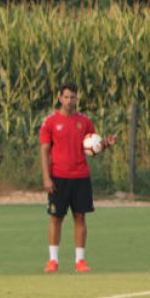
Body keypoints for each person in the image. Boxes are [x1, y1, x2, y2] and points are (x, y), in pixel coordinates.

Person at [40, 82, 117, 273]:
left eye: (72, 97)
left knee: (80, 217)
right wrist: (46, 177)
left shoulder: (85, 122)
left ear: (77, 99)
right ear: (60, 98)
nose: (69, 100)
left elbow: (93, 147)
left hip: (81, 177)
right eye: (65, 97)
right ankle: (53, 260)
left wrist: (105, 144)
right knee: (56, 217)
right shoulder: (50, 122)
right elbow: (44, 150)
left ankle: (80, 260)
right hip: (58, 177)